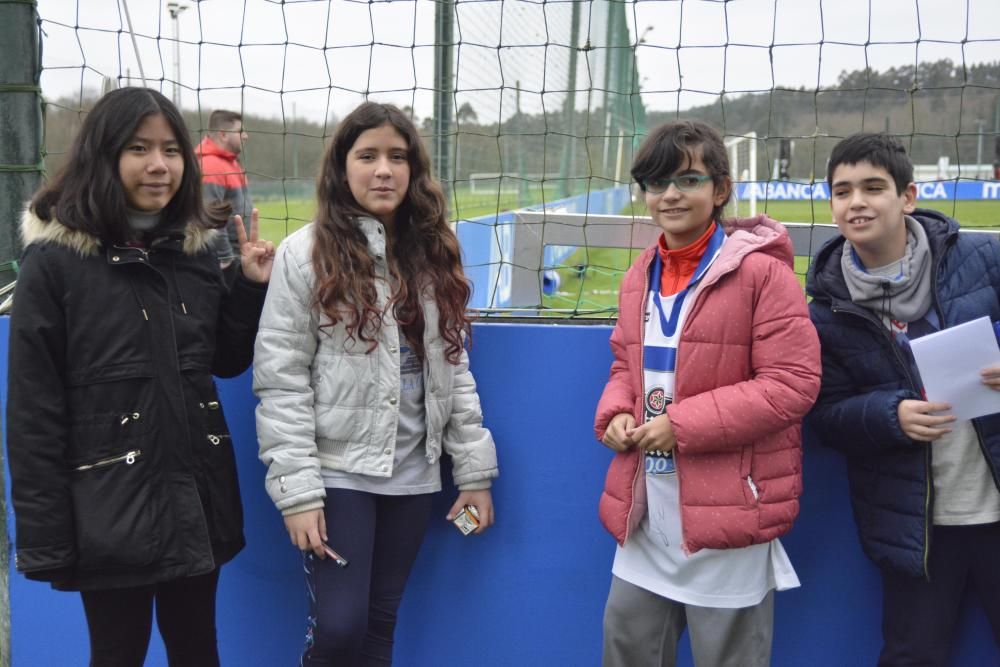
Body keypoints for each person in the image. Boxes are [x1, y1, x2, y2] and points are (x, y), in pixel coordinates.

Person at [6, 86, 275, 667]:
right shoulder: (53, 265)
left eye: (171, 149)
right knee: (117, 654)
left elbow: (223, 360)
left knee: (198, 650)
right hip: (108, 510)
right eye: (138, 148)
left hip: (196, 500)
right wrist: (46, 537)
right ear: (104, 156)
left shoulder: (195, 251)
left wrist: (250, 288)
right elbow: (34, 412)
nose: (159, 164)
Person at [253, 101, 498, 666]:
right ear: (343, 168)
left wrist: (474, 472)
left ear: (414, 171)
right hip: (338, 475)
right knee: (340, 628)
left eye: (397, 156)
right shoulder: (305, 255)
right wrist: (299, 495)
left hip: (414, 475)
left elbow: (454, 369)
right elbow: (281, 380)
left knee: (379, 627)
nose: (383, 170)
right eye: (368, 156)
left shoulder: (434, 252)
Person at [593, 120, 821, 667]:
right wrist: (618, 413)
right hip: (646, 516)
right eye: (656, 182)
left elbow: (792, 385)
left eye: (688, 180)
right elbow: (626, 364)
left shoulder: (765, 275)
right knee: (626, 650)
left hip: (729, 512)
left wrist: (683, 425)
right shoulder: (637, 276)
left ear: (720, 190)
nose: (670, 194)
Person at [807, 132, 1000, 665]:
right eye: (843, 191)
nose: (857, 202)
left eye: (873, 187)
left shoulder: (983, 257)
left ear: (907, 197)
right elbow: (824, 416)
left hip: (995, 506)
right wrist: (889, 415)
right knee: (912, 655)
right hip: (914, 527)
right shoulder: (825, 308)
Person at [196, 109, 252, 279]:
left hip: (238, 254)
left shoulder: (231, 163)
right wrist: (226, 258)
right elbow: (210, 219)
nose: (246, 136)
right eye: (240, 131)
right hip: (224, 261)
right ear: (223, 135)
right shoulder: (211, 166)